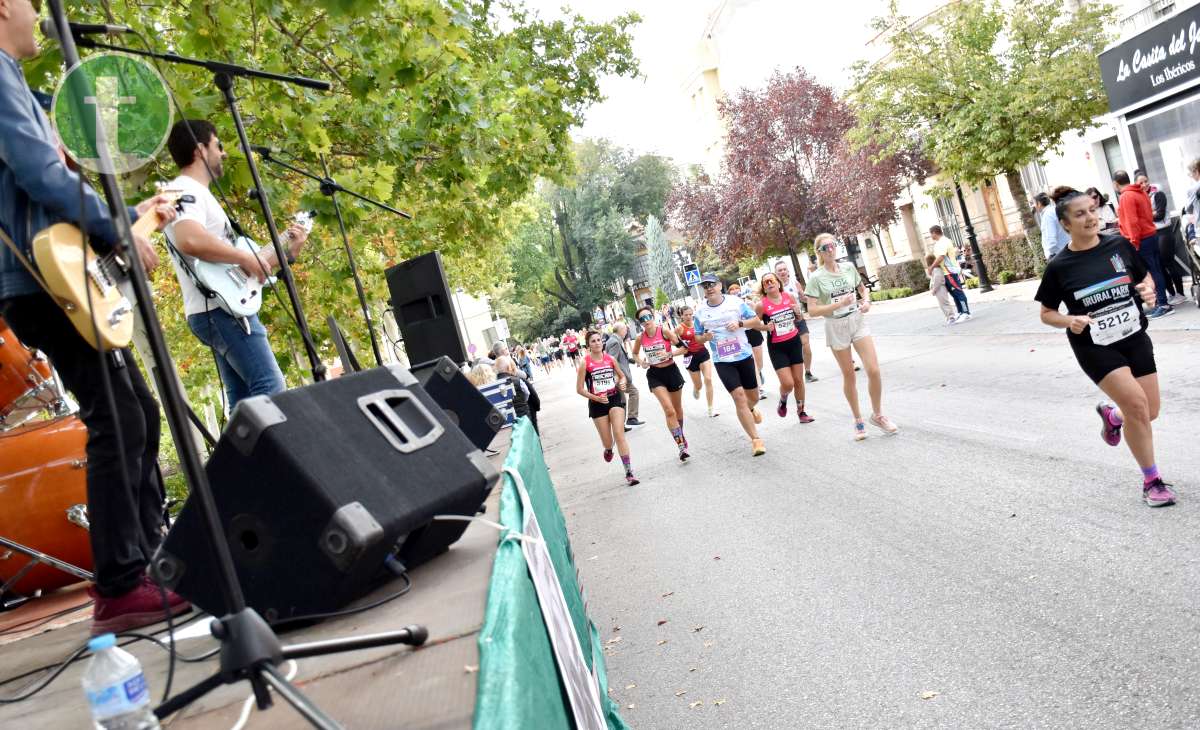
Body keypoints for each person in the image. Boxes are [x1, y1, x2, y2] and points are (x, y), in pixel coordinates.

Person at [0, 0, 192, 634]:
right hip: (38, 282)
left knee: (138, 409)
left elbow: (47, 184)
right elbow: (37, 174)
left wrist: (130, 214)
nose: (35, 14)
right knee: (116, 416)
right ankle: (119, 584)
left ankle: (145, 564)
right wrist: (115, 228)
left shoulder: (15, 80)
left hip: (51, 273)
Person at [1034, 188, 1175, 507]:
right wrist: (1070, 320)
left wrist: (1148, 291)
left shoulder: (1118, 244)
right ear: (1065, 223)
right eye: (1080, 214)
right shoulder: (1060, 266)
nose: (1090, 218)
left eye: (1092, 210)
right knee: (1138, 406)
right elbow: (1046, 314)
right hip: (1095, 346)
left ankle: (1113, 415)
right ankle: (1152, 482)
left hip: (1134, 336)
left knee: (1149, 411)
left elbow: (1144, 279)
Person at [163, 119, 311, 408]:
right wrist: (243, 256)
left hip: (221, 307)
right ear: (199, 150)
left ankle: (238, 456)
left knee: (243, 402)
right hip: (220, 311)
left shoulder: (198, 194)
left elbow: (242, 272)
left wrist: (290, 252)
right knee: (271, 388)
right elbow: (189, 240)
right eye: (218, 146)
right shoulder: (184, 190)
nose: (224, 153)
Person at [805, 233, 899, 441]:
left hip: (857, 320)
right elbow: (812, 310)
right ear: (818, 252)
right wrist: (838, 304)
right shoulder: (816, 278)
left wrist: (866, 302)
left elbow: (863, 289)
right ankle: (858, 420)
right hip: (836, 325)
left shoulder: (848, 267)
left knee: (873, 369)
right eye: (825, 248)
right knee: (850, 375)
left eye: (832, 245)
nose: (830, 249)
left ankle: (878, 414)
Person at [693, 274, 767, 456]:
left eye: (712, 284)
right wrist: (705, 338)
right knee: (739, 397)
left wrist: (740, 323)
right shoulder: (700, 312)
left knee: (753, 397)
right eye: (705, 286)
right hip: (722, 361)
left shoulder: (735, 302)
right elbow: (697, 337)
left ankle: (751, 408)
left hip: (743, 355)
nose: (709, 288)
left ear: (719, 286)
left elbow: (756, 321)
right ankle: (756, 440)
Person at [576, 330, 638, 485]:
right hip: (597, 404)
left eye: (599, 340)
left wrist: (622, 381)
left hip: (614, 398)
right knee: (608, 442)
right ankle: (608, 449)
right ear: (588, 345)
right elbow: (580, 389)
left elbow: (620, 375)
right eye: (593, 341)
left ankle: (629, 472)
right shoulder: (585, 363)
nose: (597, 343)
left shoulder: (610, 359)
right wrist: (596, 397)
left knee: (619, 433)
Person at [630, 306, 690, 461]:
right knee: (669, 411)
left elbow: (684, 348)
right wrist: (641, 362)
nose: (646, 320)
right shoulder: (640, 338)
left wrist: (669, 353)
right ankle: (681, 446)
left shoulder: (664, 331)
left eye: (648, 316)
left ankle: (680, 434)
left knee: (677, 409)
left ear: (653, 316)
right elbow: (635, 353)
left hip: (671, 371)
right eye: (642, 319)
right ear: (640, 323)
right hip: (655, 375)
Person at [756, 272, 814, 424]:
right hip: (777, 347)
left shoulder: (789, 297)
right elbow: (754, 325)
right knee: (788, 383)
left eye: (771, 280)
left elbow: (799, 318)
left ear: (778, 282)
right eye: (765, 282)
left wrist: (798, 313)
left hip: (794, 342)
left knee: (798, 380)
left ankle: (801, 412)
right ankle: (783, 399)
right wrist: (765, 327)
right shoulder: (761, 305)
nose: (769, 284)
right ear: (763, 287)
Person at [1114, 170, 1173, 319]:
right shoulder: (1140, 192)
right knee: (1156, 270)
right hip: (1150, 235)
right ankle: (1161, 303)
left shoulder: (1126, 196)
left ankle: (1162, 304)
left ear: (1115, 184)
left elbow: (1132, 221)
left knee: (1151, 272)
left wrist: (1134, 242)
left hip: (1141, 239)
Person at [1136, 171, 1187, 306]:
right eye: (1140, 182)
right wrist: (1148, 214)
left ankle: (1180, 294)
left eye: (1146, 181)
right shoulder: (1140, 197)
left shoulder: (1158, 194)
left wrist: (1143, 216)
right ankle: (1171, 294)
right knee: (1160, 267)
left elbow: (1159, 215)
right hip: (1152, 234)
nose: (1144, 184)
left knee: (1168, 262)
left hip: (1164, 232)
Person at [773, 260, 818, 383]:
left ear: (788, 271)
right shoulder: (774, 287)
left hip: (798, 318)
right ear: (776, 273)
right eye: (779, 270)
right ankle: (793, 372)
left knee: (806, 344)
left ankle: (808, 372)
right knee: (792, 349)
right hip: (784, 322)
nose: (782, 272)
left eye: (784, 269)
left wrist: (812, 298)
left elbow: (803, 297)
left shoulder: (794, 283)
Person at [675, 304, 719, 418]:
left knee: (708, 379)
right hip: (690, 356)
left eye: (690, 314)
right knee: (699, 385)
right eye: (686, 315)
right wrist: (681, 345)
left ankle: (711, 409)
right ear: (682, 316)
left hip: (702, 353)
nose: (689, 317)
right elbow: (672, 341)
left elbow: (706, 335)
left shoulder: (698, 324)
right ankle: (696, 388)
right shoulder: (679, 328)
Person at [604, 322, 645, 429]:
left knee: (621, 400)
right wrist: (619, 377)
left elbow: (621, 357)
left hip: (618, 376)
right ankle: (631, 418)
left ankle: (621, 424)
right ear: (620, 330)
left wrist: (634, 361)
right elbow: (612, 360)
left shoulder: (614, 340)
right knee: (633, 392)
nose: (626, 332)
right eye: (625, 330)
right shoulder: (615, 342)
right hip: (620, 376)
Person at [930, 225, 971, 322]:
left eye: (931, 234)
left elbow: (941, 257)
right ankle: (961, 312)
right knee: (954, 293)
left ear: (934, 233)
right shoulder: (941, 242)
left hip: (949, 272)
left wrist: (931, 267)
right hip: (946, 272)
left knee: (958, 292)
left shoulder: (943, 242)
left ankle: (966, 312)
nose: (931, 236)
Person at [495, 355, 540, 434]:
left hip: (506, 419)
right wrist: (523, 401)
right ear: (509, 368)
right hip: (523, 414)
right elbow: (527, 393)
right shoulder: (518, 380)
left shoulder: (494, 385)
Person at [1035, 191, 1070, 260]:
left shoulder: (1047, 215)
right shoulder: (1055, 210)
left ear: (1039, 203)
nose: (1034, 206)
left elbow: (1051, 238)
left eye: (1034, 203)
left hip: (1057, 255)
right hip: (1066, 251)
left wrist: (1052, 255)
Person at [925, 254, 957, 324]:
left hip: (940, 288)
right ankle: (949, 317)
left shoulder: (936, 269)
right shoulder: (934, 269)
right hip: (938, 288)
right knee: (942, 304)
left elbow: (937, 280)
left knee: (944, 303)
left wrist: (934, 290)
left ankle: (951, 317)